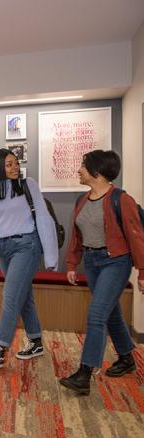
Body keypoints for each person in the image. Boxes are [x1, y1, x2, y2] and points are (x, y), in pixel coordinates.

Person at [0, 149, 58, 369]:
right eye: (9, 164)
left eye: (16, 163)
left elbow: (44, 217)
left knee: (10, 295)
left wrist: (51, 255)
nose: (15, 167)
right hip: (3, 248)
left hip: (27, 244)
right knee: (22, 296)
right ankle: (35, 341)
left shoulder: (28, 185)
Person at [60, 150, 144, 395]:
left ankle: (85, 374)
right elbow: (77, 236)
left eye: (83, 166)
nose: (79, 170)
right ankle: (127, 357)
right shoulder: (82, 200)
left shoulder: (121, 199)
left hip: (115, 262)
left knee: (97, 315)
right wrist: (73, 264)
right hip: (92, 261)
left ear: (97, 172)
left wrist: (142, 271)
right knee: (111, 312)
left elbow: (136, 237)